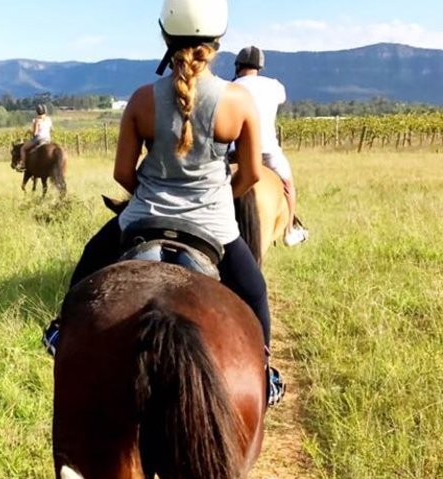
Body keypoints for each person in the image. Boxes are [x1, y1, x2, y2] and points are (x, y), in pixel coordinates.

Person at [41, 0, 285, 407]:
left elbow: (122, 174)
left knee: (89, 261)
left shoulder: (140, 100)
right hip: (215, 225)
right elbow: (252, 175)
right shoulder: (238, 102)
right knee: (255, 290)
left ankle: (61, 331)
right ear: (217, 41)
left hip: (143, 218)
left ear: (165, 37)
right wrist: (221, 196)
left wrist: (151, 194)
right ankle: (265, 374)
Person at [233, 46, 309, 246]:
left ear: (238, 65)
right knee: (288, 184)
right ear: (259, 67)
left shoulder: (230, 86)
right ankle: (290, 230)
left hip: (234, 151)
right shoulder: (274, 86)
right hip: (267, 149)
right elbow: (281, 99)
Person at [16, 104, 54, 171]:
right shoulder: (48, 119)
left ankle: (23, 165)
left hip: (39, 139)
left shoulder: (36, 120)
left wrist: (28, 131)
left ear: (37, 112)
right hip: (48, 139)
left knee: (23, 148)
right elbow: (52, 130)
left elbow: (35, 133)